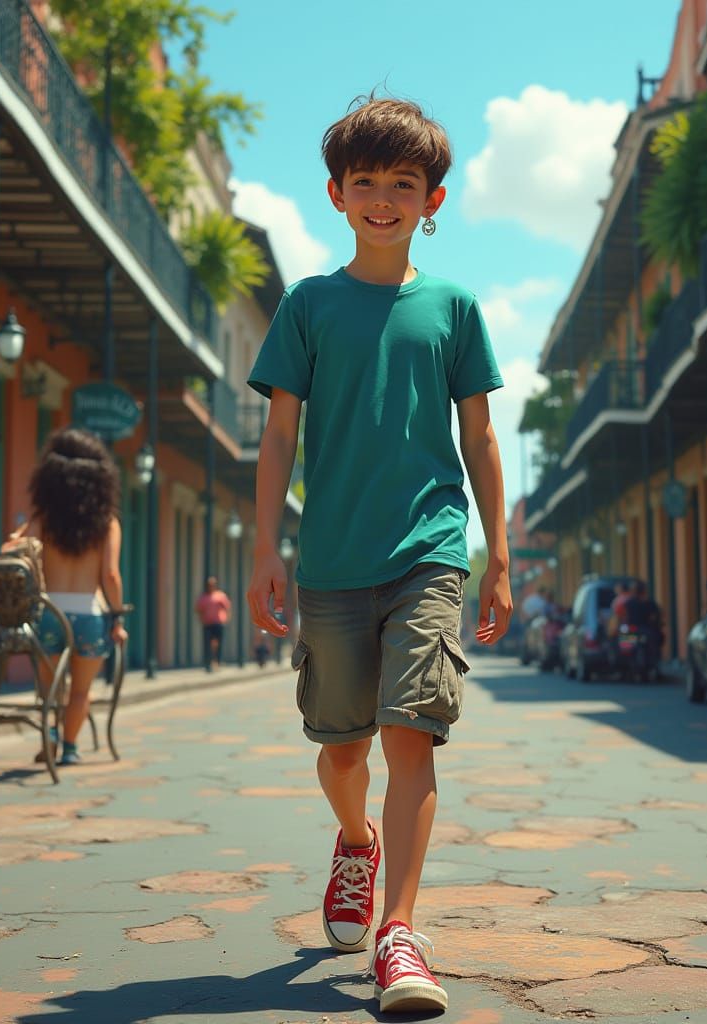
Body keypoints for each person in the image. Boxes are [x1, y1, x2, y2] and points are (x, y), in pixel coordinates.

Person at [246, 95, 511, 1014]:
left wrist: (497, 555)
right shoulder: (310, 305)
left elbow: (479, 440)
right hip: (329, 560)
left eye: (406, 184)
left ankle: (399, 934)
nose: (386, 198)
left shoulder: (454, 307)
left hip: (431, 549)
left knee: (412, 736)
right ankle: (354, 842)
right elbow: (279, 437)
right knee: (342, 746)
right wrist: (264, 549)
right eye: (368, 183)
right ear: (336, 194)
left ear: (433, 199)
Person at [21, 428, 126, 766]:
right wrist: (117, 618)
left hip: (49, 612)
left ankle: (49, 733)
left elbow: (20, 553)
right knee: (81, 691)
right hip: (89, 617)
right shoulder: (106, 523)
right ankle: (69, 747)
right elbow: (110, 576)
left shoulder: (43, 520)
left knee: (49, 689)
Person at [195, 576, 231, 671]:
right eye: (209, 584)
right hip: (207, 623)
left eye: (213, 584)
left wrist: (226, 618)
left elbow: (227, 607)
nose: (211, 586)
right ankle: (208, 663)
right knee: (208, 644)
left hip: (218, 623)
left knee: (218, 644)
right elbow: (199, 609)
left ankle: (217, 662)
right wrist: (201, 619)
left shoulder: (220, 596)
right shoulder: (204, 597)